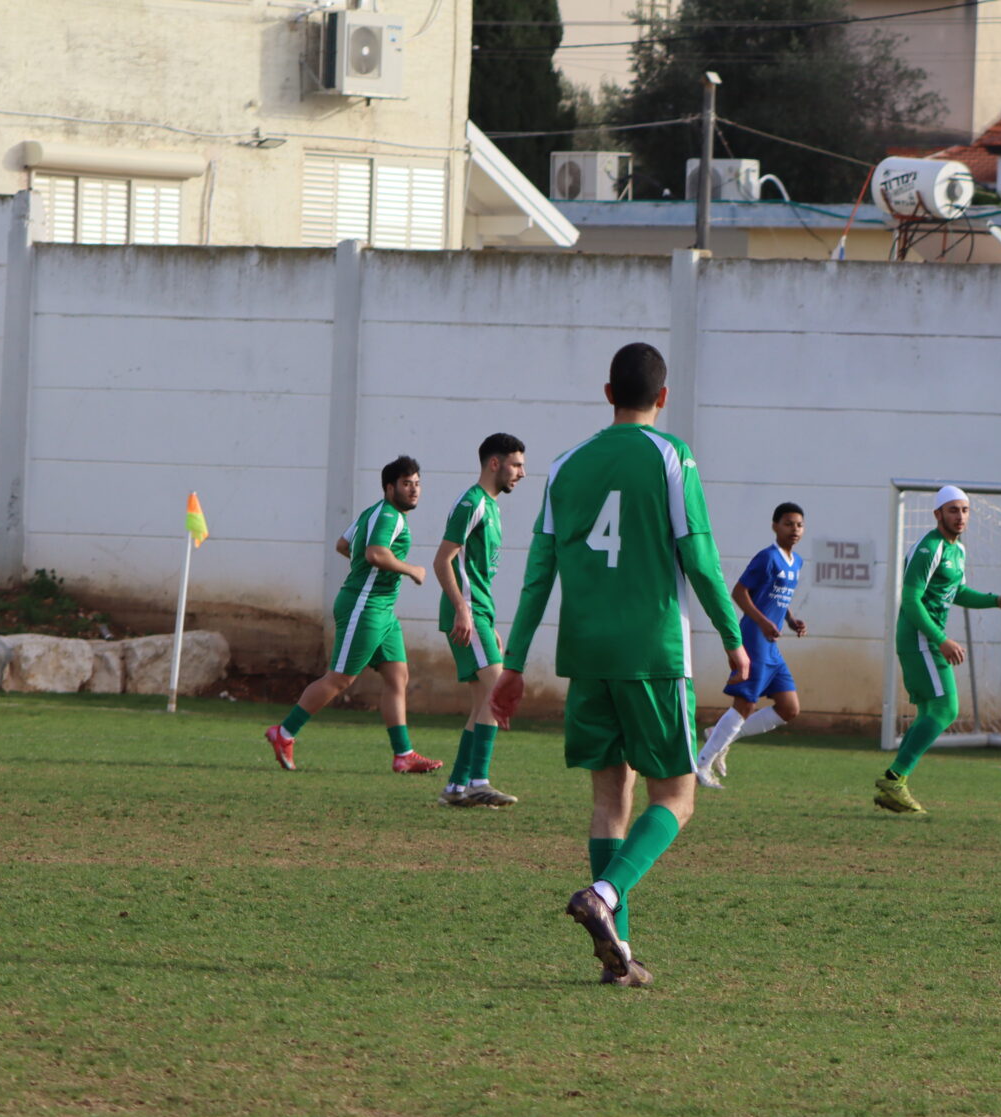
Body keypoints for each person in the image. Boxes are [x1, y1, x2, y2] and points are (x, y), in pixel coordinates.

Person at [489, 342, 746, 988]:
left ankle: (620, 955)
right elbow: (700, 556)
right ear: (663, 397)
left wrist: (513, 664)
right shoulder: (672, 456)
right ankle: (604, 895)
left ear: (608, 394)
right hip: (652, 652)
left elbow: (538, 573)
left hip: (587, 655)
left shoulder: (565, 466)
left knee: (610, 797)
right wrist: (733, 637)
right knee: (677, 797)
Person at [264, 456, 442, 775]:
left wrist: (370, 566)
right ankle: (284, 732)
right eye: (406, 484)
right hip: (365, 605)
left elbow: (343, 544)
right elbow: (375, 554)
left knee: (397, 676)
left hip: (382, 609)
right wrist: (410, 569)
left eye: (417, 484)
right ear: (390, 487)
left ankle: (403, 755)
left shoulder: (373, 512)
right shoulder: (389, 516)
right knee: (340, 678)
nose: (414, 490)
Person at [874, 486, 1001, 814]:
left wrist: (996, 601)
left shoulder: (958, 550)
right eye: (953, 510)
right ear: (937, 514)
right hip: (919, 638)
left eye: (965, 510)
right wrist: (941, 639)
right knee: (945, 710)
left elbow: (957, 592)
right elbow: (910, 599)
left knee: (931, 711)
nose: (960, 516)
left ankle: (895, 783)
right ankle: (895, 778)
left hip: (927, 638)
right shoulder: (929, 548)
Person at [432, 432, 527, 808]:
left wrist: (489, 622)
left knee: (482, 702)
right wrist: (463, 609)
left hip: (479, 613)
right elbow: (442, 560)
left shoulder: (492, 507)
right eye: (516, 465)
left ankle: (456, 787)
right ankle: (478, 781)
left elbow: (476, 574)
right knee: (496, 690)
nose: (521, 473)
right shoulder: (471, 503)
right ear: (494, 463)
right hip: (468, 613)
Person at [695, 502, 806, 788]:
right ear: (775, 526)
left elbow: (776, 596)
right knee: (745, 704)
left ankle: (720, 738)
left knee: (789, 708)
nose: (794, 529)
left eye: (799, 525)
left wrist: (790, 620)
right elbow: (740, 592)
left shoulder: (797, 562)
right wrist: (763, 622)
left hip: (771, 643)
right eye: (788, 524)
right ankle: (702, 764)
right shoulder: (767, 557)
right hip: (755, 639)